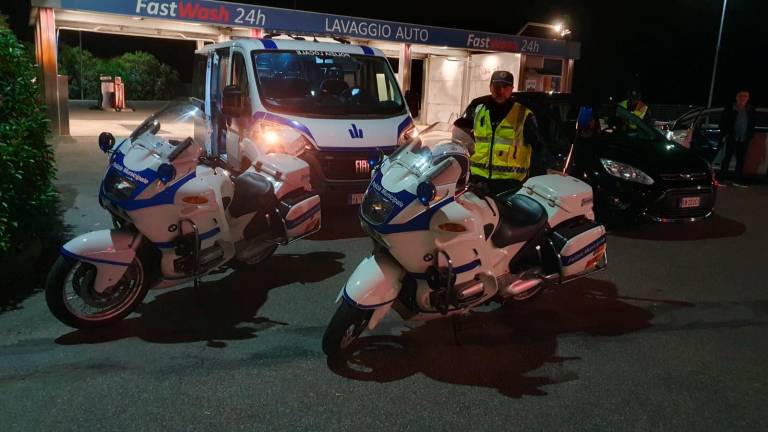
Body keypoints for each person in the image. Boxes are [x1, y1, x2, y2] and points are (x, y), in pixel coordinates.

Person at [452, 70, 545, 195]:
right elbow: (460, 139)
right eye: (496, 87)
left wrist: (537, 179)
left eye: (505, 87)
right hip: (477, 181)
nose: (500, 91)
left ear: (512, 89)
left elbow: (538, 149)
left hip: (509, 185)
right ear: (490, 87)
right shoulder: (478, 110)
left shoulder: (523, 114)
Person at [719, 89, 756, 187]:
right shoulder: (730, 108)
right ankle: (721, 180)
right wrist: (726, 134)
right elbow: (723, 122)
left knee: (741, 160)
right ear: (737, 97)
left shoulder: (750, 109)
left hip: (743, 139)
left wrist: (749, 136)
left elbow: (752, 124)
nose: (743, 98)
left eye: (745, 96)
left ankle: (737, 181)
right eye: (741, 96)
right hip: (732, 137)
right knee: (726, 159)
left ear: (748, 98)